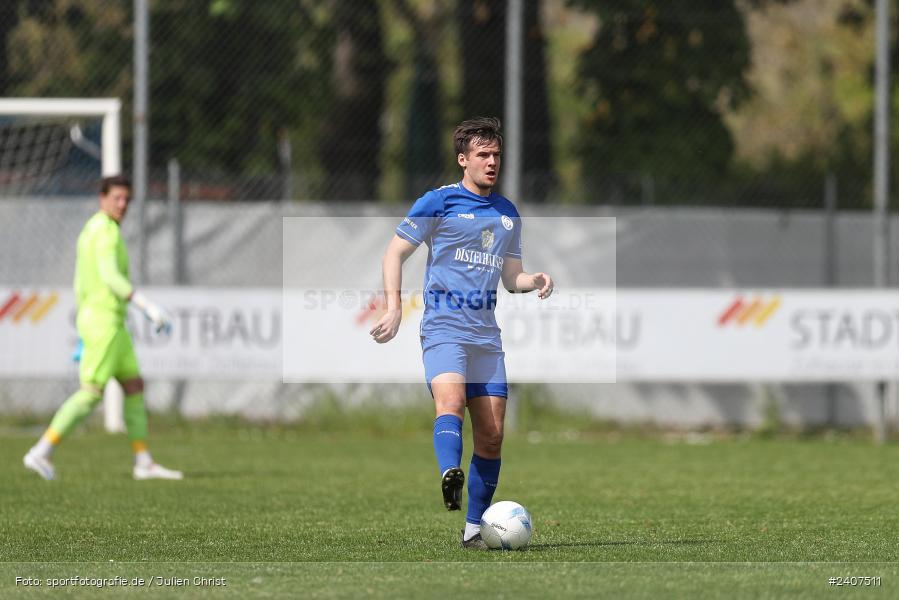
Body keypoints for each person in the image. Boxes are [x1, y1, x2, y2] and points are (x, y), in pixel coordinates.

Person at [371, 117, 554, 549]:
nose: (492, 163)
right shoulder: (439, 202)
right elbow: (394, 253)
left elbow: (512, 278)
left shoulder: (508, 214)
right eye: (483, 156)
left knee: (491, 436)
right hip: (444, 328)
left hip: (486, 338)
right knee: (450, 401)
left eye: (496, 155)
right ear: (463, 160)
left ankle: (473, 530)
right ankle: (449, 475)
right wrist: (395, 307)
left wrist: (535, 280)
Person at [23, 175, 183, 481]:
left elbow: (82, 280)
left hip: (110, 323)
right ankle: (41, 451)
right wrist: (147, 306)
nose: (122, 204)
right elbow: (110, 277)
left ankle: (144, 462)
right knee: (91, 393)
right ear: (102, 198)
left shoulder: (93, 230)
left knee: (134, 386)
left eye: (127, 199)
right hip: (104, 322)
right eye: (117, 198)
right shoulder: (106, 233)